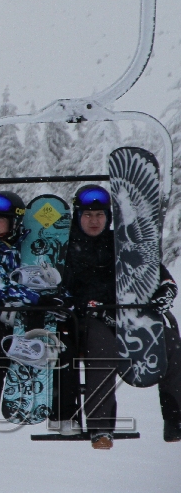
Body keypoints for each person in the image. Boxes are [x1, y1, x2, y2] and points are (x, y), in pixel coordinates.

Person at [59, 184, 181, 449]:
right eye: (88, 215)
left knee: (170, 341)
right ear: (78, 217)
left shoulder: (124, 243)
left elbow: (157, 273)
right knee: (103, 349)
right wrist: (84, 305)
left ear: (108, 217)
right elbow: (60, 290)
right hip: (91, 319)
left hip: (130, 314)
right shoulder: (67, 249)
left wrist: (166, 290)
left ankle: (175, 419)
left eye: (99, 215)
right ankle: (100, 427)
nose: (94, 221)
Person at [0, 191, 54, 443]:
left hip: (32, 314)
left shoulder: (26, 243)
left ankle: (63, 413)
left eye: (1, 219)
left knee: (62, 346)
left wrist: (56, 297)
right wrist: (37, 298)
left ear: (14, 221)